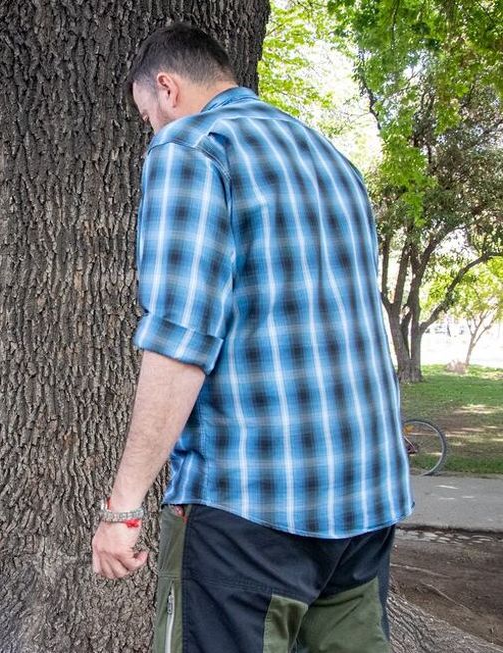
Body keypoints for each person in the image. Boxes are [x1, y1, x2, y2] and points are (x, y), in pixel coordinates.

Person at [91, 24, 412, 653]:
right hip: (366, 495)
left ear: (167, 87)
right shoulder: (330, 158)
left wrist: (123, 507)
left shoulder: (192, 147)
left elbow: (180, 340)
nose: (152, 128)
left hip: (250, 506)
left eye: (147, 114)